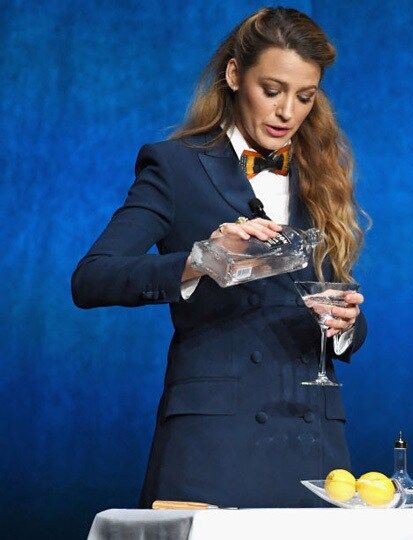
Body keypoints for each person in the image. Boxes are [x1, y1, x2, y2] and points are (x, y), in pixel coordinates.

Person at [71, 7, 367, 508]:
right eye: (271, 90)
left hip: (313, 448)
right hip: (215, 448)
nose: (287, 113)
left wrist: (345, 326)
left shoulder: (321, 176)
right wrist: (202, 260)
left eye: (304, 97)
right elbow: (92, 280)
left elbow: (341, 306)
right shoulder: (176, 166)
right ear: (234, 75)